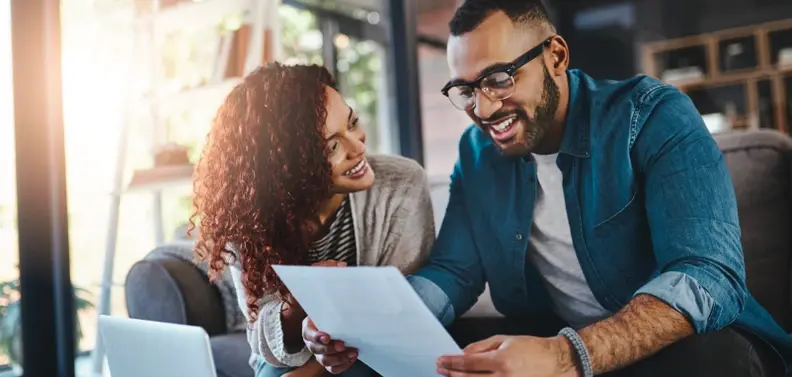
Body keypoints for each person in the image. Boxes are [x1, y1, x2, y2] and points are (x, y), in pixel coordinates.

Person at [301, 1, 792, 376]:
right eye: (466, 90)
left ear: (555, 56)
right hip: (557, 343)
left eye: (498, 78)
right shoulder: (477, 154)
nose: (484, 108)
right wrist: (368, 328)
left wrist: (567, 356)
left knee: (713, 358)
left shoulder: (653, 117)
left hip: (690, 346)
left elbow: (708, 275)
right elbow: (453, 271)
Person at [189, 63, 451, 377]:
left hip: (375, 349)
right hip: (289, 354)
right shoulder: (248, 216)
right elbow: (261, 339)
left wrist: (313, 371)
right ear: (287, 168)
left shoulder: (402, 184)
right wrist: (295, 309)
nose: (358, 147)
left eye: (352, 123)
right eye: (332, 146)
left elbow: (401, 317)